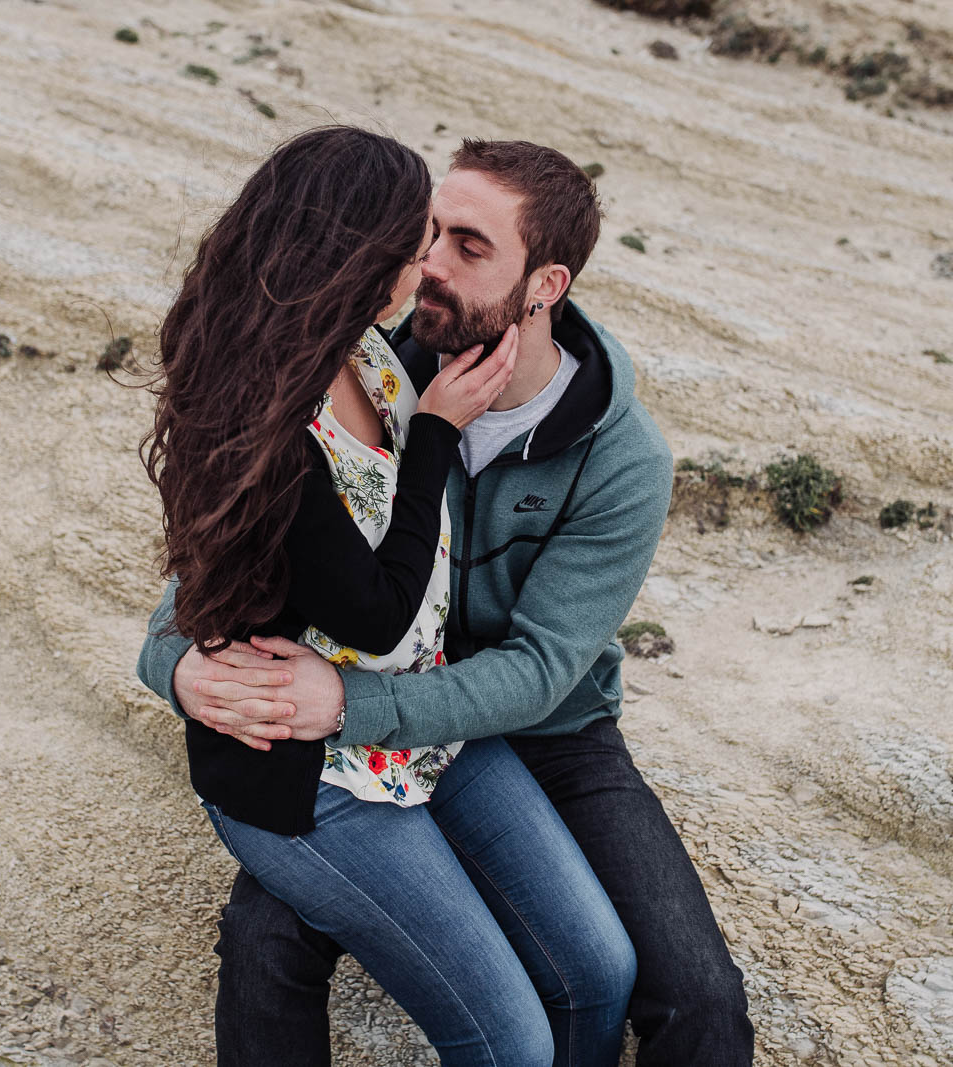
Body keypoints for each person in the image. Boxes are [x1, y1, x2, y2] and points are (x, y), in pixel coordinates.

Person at [139, 137, 756, 1065]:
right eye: (430, 233)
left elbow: (540, 672)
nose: (429, 263)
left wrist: (354, 706)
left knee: (688, 991)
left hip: (542, 728)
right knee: (268, 938)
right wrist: (177, 664)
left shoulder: (621, 457)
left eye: (468, 246)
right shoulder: (376, 355)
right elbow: (217, 558)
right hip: (353, 730)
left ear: (545, 284)